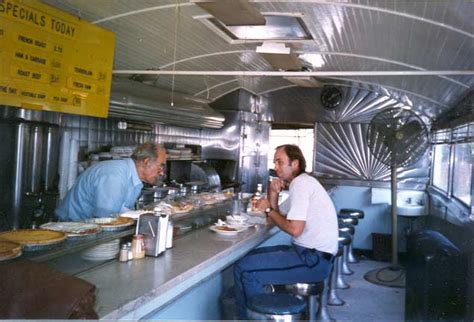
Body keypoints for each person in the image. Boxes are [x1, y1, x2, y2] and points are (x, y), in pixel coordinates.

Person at [233, 144, 338, 319]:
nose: (276, 167)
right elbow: (275, 219)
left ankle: (255, 317)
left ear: (295, 164)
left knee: (244, 269)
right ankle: (263, 309)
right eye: (275, 162)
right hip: (311, 254)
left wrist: (268, 209)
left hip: (313, 260)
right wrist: (273, 195)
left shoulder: (300, 184)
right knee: (247, 259)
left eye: (280, 162)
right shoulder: (303, 182)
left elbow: (295, 229)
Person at [55, 142, 166, 221]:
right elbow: (106, 220)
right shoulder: (115, 175)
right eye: (160, 166)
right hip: (70, 228)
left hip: (87, 228)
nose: (161, 172)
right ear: (146, 162)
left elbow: (121, 213)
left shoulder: (134, 179)